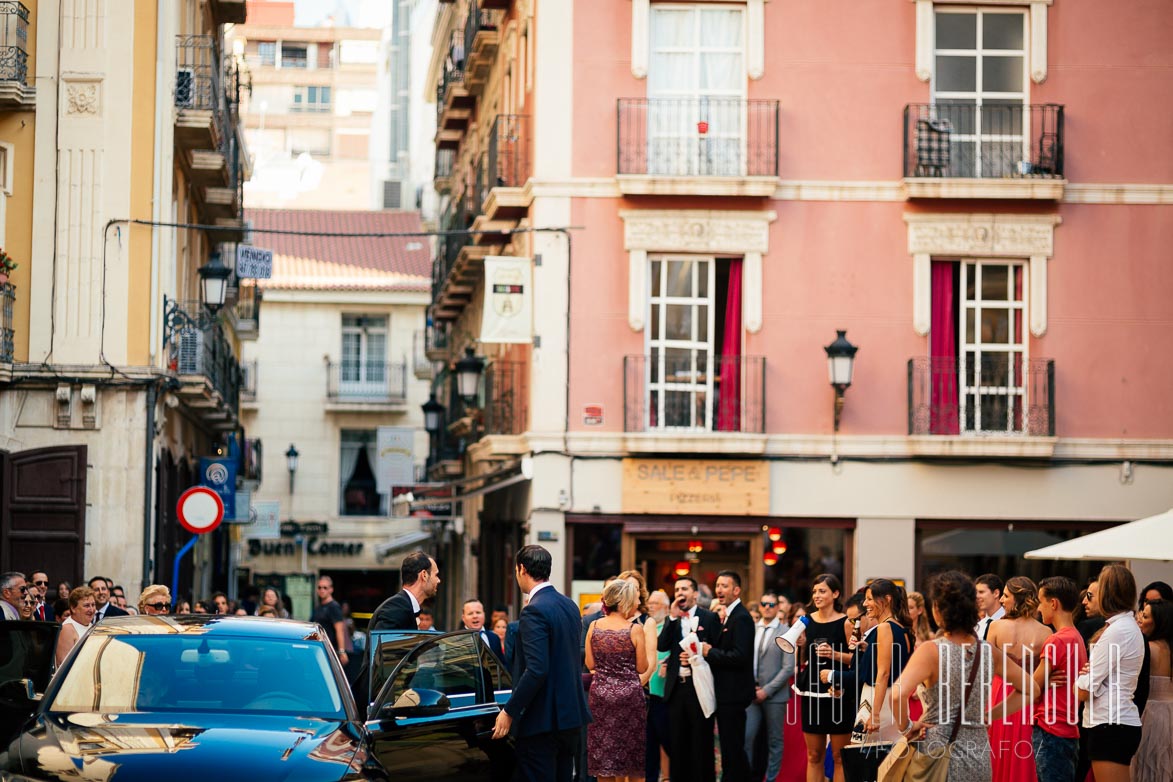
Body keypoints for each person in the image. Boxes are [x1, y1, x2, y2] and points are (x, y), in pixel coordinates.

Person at [890, 571, 1037, 782]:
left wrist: (907, 726)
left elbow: (897, 694)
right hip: (978, 755)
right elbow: (1031, 689)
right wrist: (989, 715)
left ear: (938, 610)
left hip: (937, 750)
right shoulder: (988, 651)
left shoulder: (931, 651)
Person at [492, 545, 592, 782]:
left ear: (521, 569)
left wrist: (509, 711)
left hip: (542, 722)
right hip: (571, 718)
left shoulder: (534, 610)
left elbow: (537, 669)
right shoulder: (569, 605)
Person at [1075, 564, 1145, 782]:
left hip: (1110, 723)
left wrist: (1084, 676)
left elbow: (1084, 690)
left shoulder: (1117, 631)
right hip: (1115, 721)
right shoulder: (1124, 626)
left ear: (1107, 593)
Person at [824, 578, 911, 744]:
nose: (865, 604)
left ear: (886, 599)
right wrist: (868, 649)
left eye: (870, 599)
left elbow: (884, 673)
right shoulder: (901, 628)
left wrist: (875, 714)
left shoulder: (885, 627)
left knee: (862, 761)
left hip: (877, 701)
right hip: (895, 700)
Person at [986, 576, 1050, 782]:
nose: (1002, 601)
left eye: (1006, 596)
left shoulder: (995, 627)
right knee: (1024, 753)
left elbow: (986, 668)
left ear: (1019, 598)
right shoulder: (1046, 632)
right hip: (1027, 696)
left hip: (998, 695)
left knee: (996, 751)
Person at [1023, 576, 1086, 782]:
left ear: (1053, 603)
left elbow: (1031, 688)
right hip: (1068, 729)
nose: (1039, 609)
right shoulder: (1077, 637)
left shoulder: (1056, 640)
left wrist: (1042, 685)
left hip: (1050, 729)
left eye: (1041, 602)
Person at [585, 578, 648, 781]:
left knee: (603, 757)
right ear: (624, 602)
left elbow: (590, 664)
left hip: (601, 696)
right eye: (635, 599)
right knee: (631, 758)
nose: (638, 603)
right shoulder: (634, 629)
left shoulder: (593, 626)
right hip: (629, 698)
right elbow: (642, 667)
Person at [657, 576, 719, 782]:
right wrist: (672, 618)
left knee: (701, 740)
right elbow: (662, 645)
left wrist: (697, 656)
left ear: (695, 593)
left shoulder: (709, 618)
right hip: (677, 688)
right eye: (677, 589)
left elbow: (717, 650)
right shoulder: (673, 619)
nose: (680, 592)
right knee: (677, 741)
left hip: (699, 687)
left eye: (684, 588)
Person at [794, 573, 852, 782]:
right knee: (814, 755)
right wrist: (798, 645)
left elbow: (858, 660)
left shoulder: (846, 623)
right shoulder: (806, 621)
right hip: (812, 690)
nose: (816, 595)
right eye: (814, 591)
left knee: (839, 756)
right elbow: (796, 653)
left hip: (839, 693)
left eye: (822, 591)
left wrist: (835, 654)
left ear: (835, 594)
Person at [699, 570, 755, 781]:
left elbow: (740, 656)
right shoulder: (728, 615)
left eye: (725, 586)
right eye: (718, 585)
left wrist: (709, 651)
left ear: (736, 590)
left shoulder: (741, 618)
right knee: (730, 748)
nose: (719, 590)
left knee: (733, 748)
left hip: (734, 693)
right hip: (725, 693)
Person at [745, 590, 794, 782]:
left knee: (775, 741)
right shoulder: (752, 628)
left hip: (775, 695)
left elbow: (788, 668)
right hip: (751, 693)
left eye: (771, 605)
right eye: (764, 604)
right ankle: (747, 776)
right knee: (747, 738)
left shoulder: (785, 632)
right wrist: (751, 687)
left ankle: (772, 779)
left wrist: (767, 690)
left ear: (778, 607)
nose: (767, 608)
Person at [1132, 598, 1173, 782]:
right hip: (1170, 713)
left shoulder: (1147, 648)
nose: (1139, 619)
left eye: (1145, 616)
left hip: (1150, 713)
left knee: (1145, 766)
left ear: (1159, 622)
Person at [369, 551, 441, 631]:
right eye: (436, 575)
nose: (438, 580)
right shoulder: (397, 608)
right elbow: (383, 642)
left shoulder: (402, 606)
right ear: (424, 575)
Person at [644, 590, 672, 782]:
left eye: (656, 603)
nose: (651, 606)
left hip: (664, 694)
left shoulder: (670, 627)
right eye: (650, 603)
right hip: (646, 694)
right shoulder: (645, 627)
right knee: (648, 745)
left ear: (666, 608)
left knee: (667, 742)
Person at [313, 576, 350, 672]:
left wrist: (342, 651)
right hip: (319, 649)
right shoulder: (318, 607)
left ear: (331, 589)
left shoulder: (334, 606)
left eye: (325, 587)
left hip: (330, 650)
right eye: (319, 587)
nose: (322, 590)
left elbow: (339, 630)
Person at [55, 586, 97, 667]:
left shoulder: (93, 626)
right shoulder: (67, 629)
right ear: (73, 608)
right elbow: (63, 666)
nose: (91, 610)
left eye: (93, 605)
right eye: (87, 605)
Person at [974, 573, 1005, 640]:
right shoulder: (978, 626)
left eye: (981, 592)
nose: (977, 596)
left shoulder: (1010, 622)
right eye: (976, 593)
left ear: (996, 593)